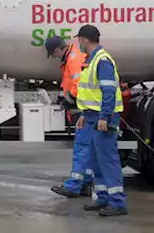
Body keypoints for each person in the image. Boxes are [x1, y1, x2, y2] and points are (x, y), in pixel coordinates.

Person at [74, 24, 127, 217]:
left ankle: (118, 202)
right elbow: (92, 93)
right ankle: (104, 197)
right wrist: (84, 114)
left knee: (108, 160)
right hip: (92, 116)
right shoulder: (92, 59)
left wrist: (104, 116)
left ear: (84, 40)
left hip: (103, 117)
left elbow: (109, 92)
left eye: (79, 39)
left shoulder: (102, 60)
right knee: (96, 161)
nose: (78, 43)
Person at [46, 34, 93, 199]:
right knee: (86, 149)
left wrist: (68, 100)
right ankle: (85, 185)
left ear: (58, 49)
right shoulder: (72, 56)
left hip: (81, 110)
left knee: (81, 149)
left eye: (53, 54)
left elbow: (78, 84)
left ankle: (74, 186)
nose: (54, 57)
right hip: (83, 109)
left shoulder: (73, 59)